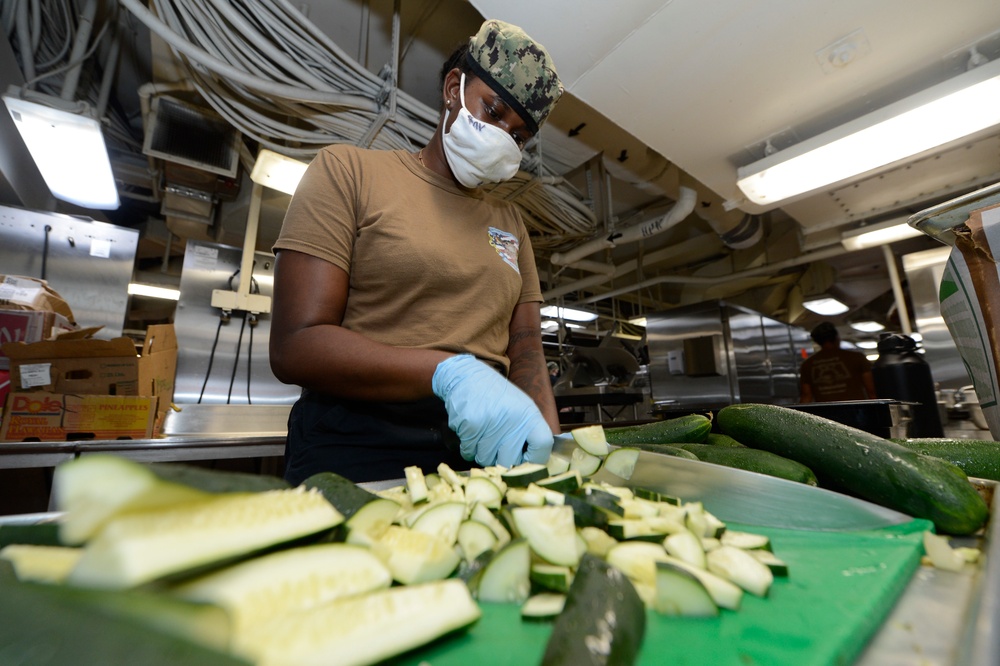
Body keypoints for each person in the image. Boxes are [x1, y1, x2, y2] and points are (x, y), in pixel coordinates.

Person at [268, 19, 564, 485]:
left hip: (476, 451)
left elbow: (525, 345)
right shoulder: (348, 172)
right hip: (355, 445)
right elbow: (295, 345)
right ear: (453, 88)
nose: (505, 138)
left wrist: (547, 439)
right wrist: (448, 373)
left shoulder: (511, 225)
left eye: (519, 135)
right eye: (493, 112)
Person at [799, 322, 877, 403]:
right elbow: (871, 390)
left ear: (817, 342)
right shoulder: (856, 357)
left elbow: (806, 396)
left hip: (825, 413)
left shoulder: (807, 364)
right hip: (857, 411)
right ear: (836, 337)